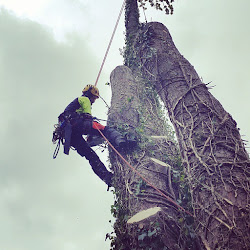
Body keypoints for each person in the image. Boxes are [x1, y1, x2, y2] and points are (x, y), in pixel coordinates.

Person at [56, 84, 135, 188]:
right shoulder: (84, 100)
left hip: (70, 135)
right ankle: (122, 142)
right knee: (106, 130)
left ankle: (107, 178)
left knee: (91, 156)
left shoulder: (72, 108)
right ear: (90, 94)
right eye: (94, 98)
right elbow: (87, 116)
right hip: (77, 124)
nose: (93, 101)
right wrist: (91, 121)